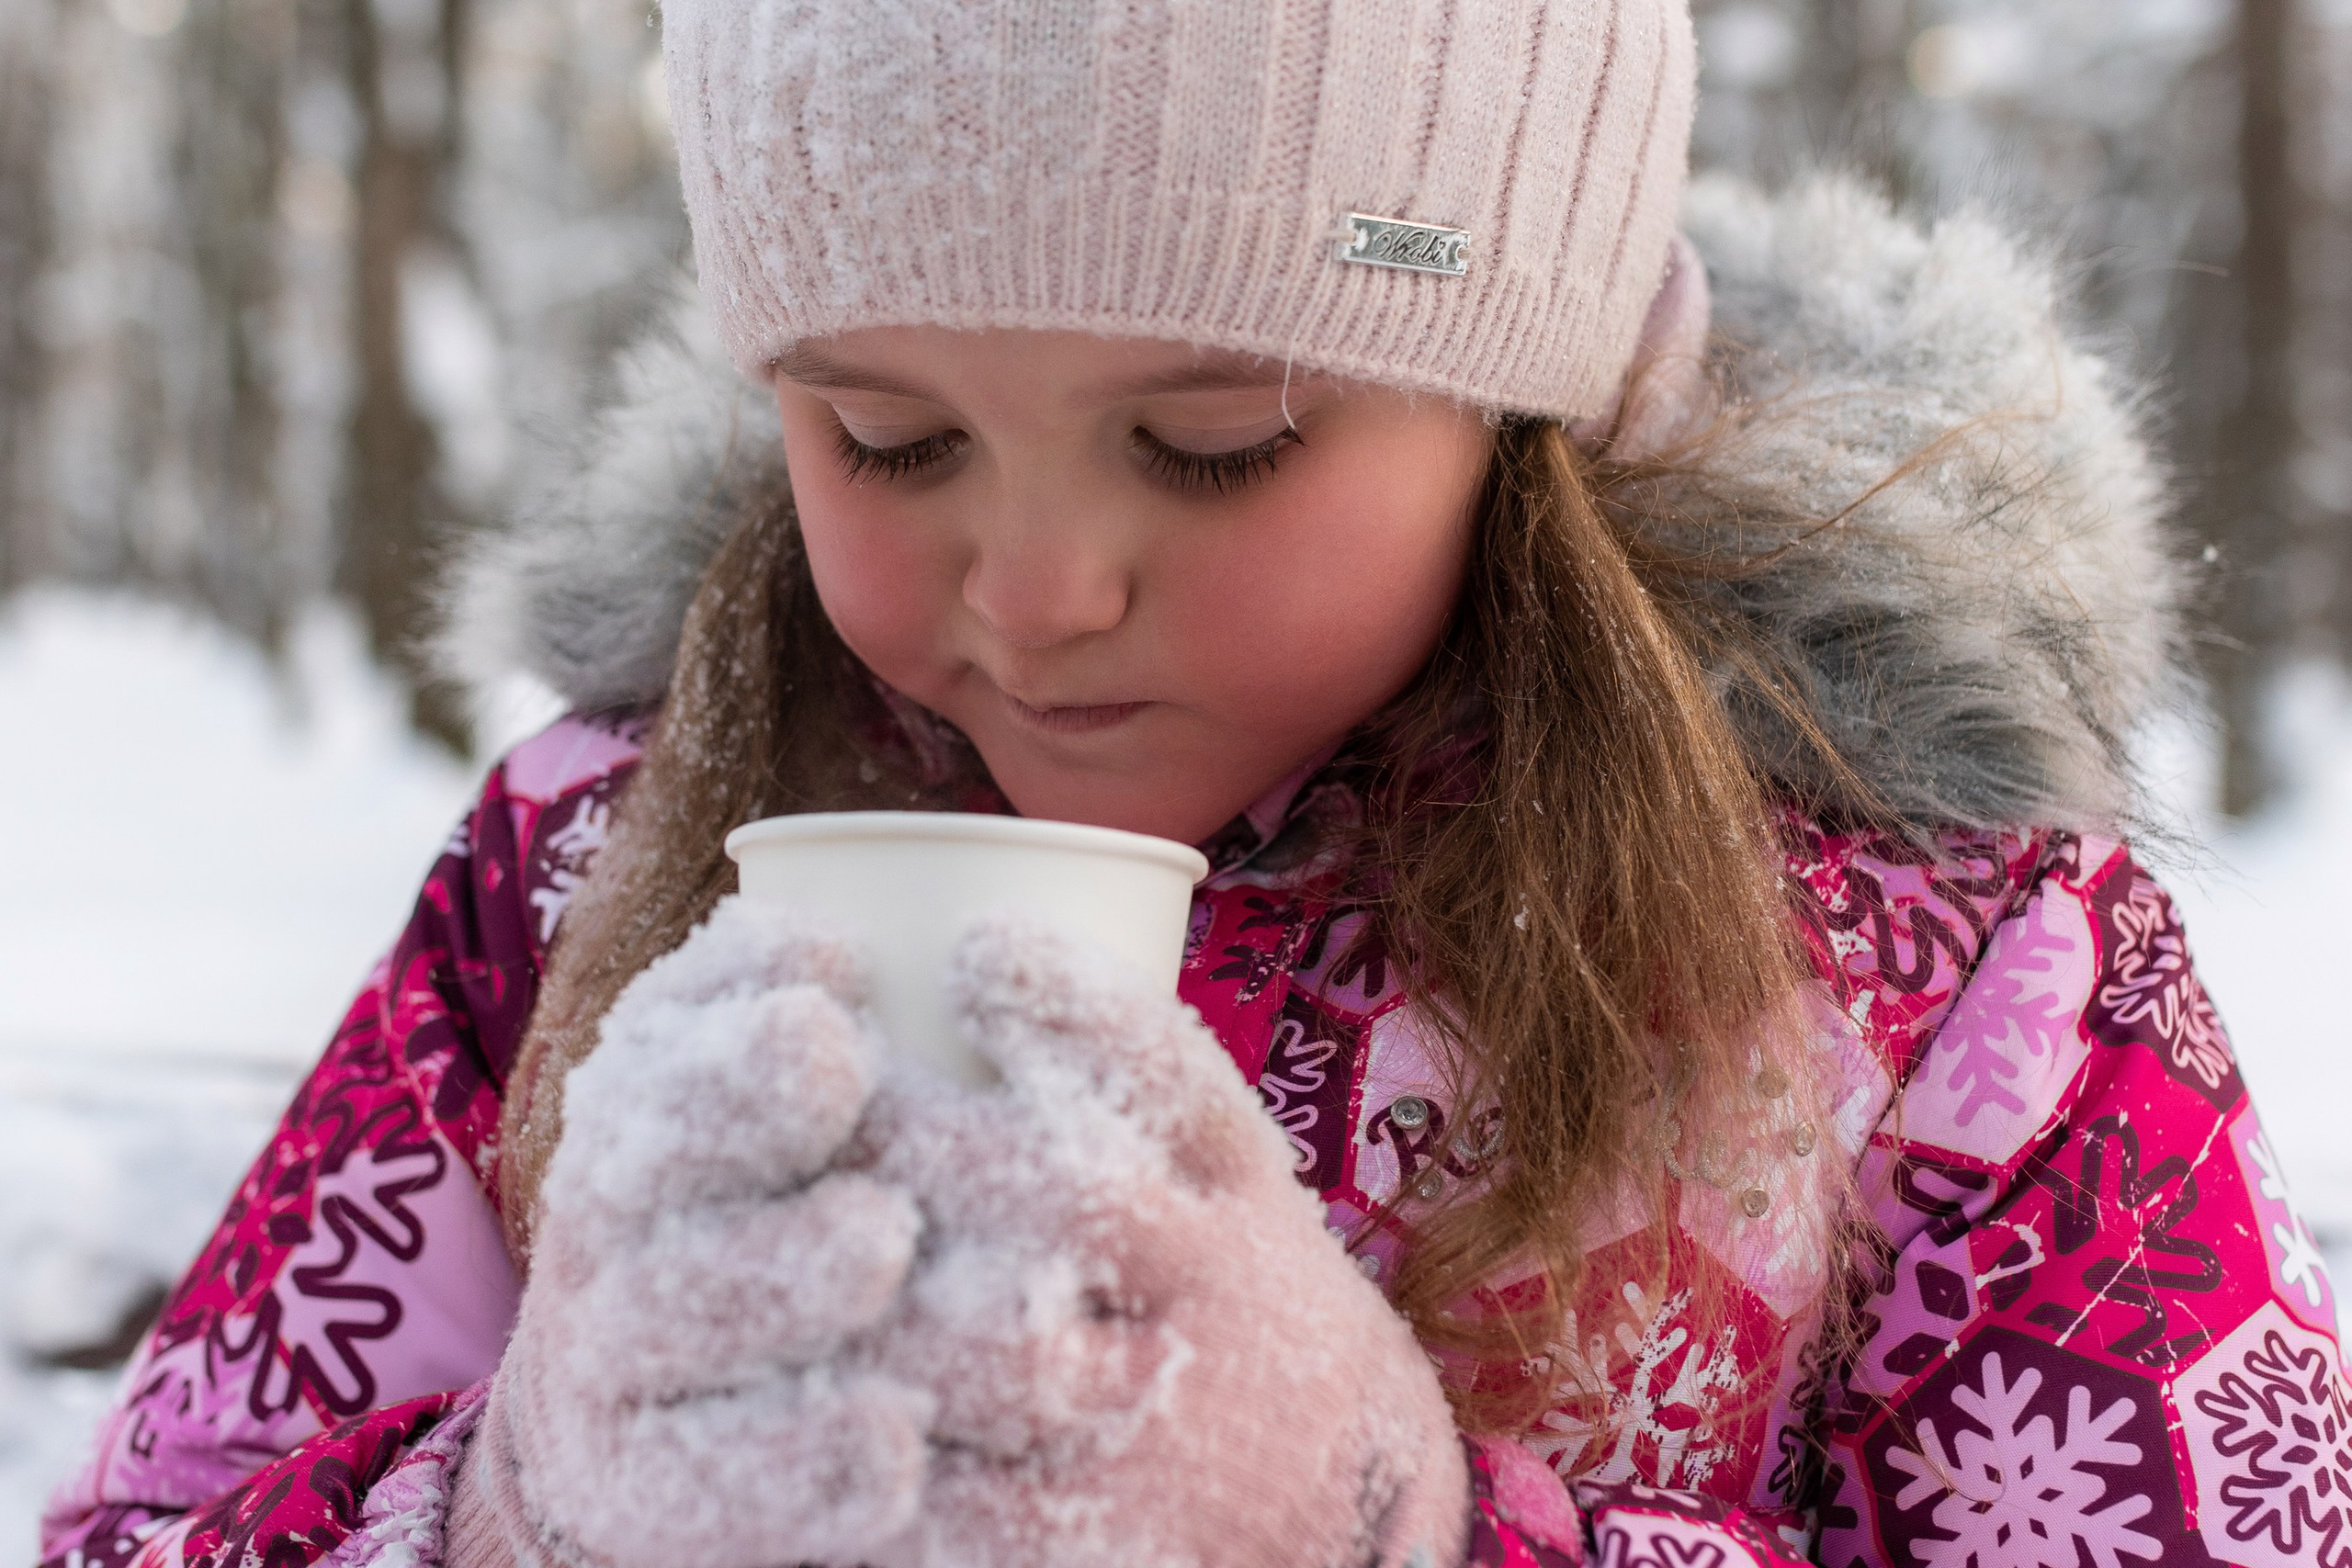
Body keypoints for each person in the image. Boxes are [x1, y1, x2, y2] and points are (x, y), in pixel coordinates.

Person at [41, 1, 2352, 1565]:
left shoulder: (1947, 972)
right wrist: (510, 1508)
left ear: (1524, 398)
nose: (1035, 588)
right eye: (888, 437)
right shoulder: (588, 867)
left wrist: (1401, 1524)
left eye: (1212, 437)